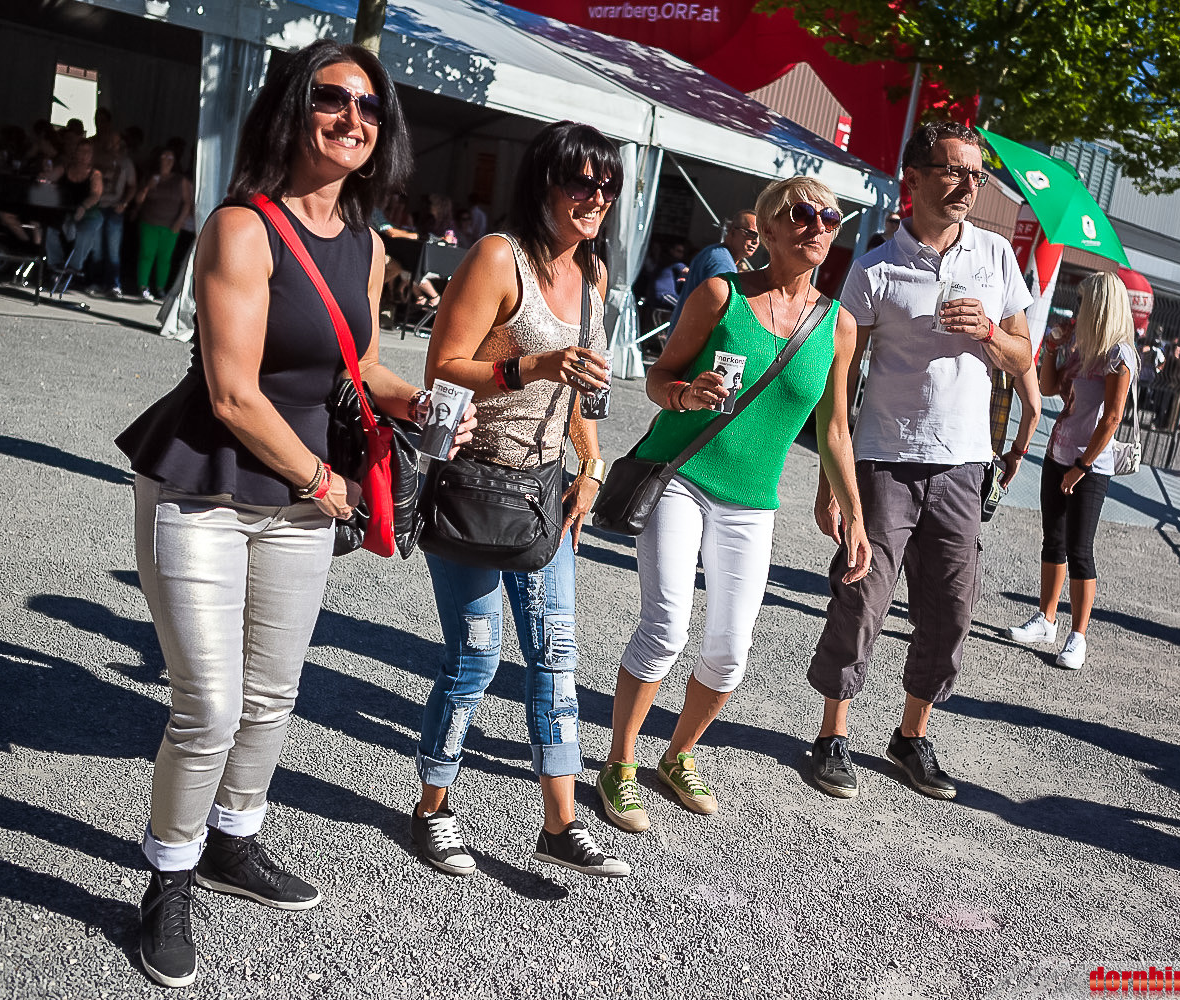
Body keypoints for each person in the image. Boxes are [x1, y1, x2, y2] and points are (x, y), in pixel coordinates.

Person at [113, 40, 473, 988]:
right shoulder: (241, 226)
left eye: (370, 105)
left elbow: (358, 365)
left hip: (303, 496)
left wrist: (416, 402)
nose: (354, 118)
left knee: (274, 695)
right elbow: (232, 393)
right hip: (207, 484)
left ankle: (233, 841)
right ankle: (169, 876)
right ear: (291, 108)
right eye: (331, 98)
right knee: (210, 704)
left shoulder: (366, 241)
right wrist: (325, 483)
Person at [595, 178, 870, 832]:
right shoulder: (721, 295)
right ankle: (620, 765)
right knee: (666, 628)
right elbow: (659, 377)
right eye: (801, 214)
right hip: (682, 476)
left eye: (830, 217)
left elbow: (835, 430)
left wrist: (855, 517)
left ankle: (678, 755)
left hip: (752, 502)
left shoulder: (839, 326)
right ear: (767, 231)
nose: (818, 226)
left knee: (729, 652)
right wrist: (685, 394)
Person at [413, 120, 628, 879]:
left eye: (607, 186)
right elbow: (443, 366)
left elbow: (583, 389)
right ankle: (432, 808)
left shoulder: (593, 273)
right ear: (543, 183)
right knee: (476, 656)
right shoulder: (498, 257)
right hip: (472, 484)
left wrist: (591, 465)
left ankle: (560, 825)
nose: (596, 198)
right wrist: (532, 364)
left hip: (545, 492)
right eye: (581, 182)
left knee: (556, 658)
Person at [802, 121, 1035, 801]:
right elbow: (840, 380)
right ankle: (832, 735)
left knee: (952, 609)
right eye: (954, 170)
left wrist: (988, 331)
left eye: (977, 174)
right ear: (915, 177)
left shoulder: (995, 256)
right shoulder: (875, 268)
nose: (968, 185)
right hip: (884, 460)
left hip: (964, 464)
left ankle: (911, 736)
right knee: (860, 598)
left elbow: (1023, 356)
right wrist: (832, 479)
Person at [1003, 272, 1137, 670]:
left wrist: (1082, 466)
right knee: (1053, 540)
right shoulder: (1083, 346)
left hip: (1090, 465)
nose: (1078, 309)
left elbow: (1112, 418)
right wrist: (1052, 347)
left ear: (1101, 305)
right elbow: (1047, 388)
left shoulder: (1119, 354)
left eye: (1084, 301)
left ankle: (1078, 636)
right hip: (1058, 453)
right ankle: (1046, 619)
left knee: (1080, 550)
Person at [663, 210, 760, 333]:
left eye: (760, 236)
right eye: (751, 234)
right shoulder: (722, 263)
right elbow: (719, 310)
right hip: (694, 339)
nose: (756, 241)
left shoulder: (714, 252)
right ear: (732, 231)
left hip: (683, 335)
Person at [134, 147, 193, 301]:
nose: (167, 161)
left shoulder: (181, 180)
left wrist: (179, 221)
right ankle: (143, 286)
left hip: (171, 225)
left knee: (165, 258)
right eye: (164, 157)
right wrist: (148, 186)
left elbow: (187, 202)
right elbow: (138, 200)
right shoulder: (151, 177)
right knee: (146, 254)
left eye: (170, 158)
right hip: (149, 221)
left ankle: (161, 288)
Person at [41, 137, 104, 276]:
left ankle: (75, 266)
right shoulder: (65, 168)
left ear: (92, 155)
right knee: (50, 229)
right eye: (81, 151)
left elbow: (96, 195)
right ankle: (55, 262)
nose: (84, 155)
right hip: (66, 212)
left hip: (88, 213)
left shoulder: (95, 174)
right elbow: (48, 177)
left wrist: (83, 207)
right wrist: (44, 176)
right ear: (75, 152)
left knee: (84, 233)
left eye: (88, 152)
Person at [94, 130, 136, 297]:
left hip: (114, 207)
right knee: (96, 247)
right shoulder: (98, 158)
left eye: (115, 141)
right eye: (109, 141)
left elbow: (133, 185)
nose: (112, 145)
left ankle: (113, 284)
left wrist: (124, 202)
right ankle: (95, 281)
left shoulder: (126, 162)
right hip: (97, 206)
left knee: (112, 248)